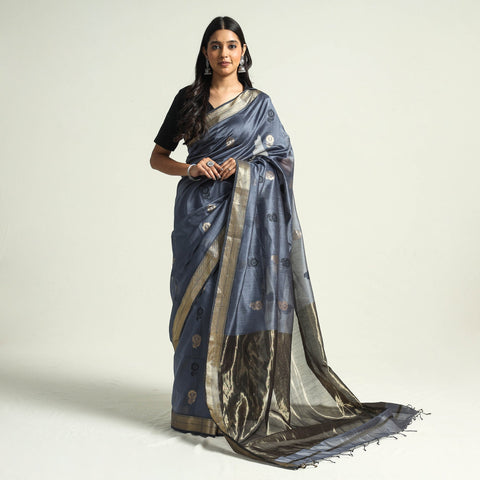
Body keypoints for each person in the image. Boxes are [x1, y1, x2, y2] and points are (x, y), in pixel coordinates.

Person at [150, 16, 427, 469]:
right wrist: (192, 168)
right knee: (197, 304)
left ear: (243, 52)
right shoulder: (188, 100)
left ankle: (241, 402)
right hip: (199, 218)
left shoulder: (260, 105)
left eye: (232, 45)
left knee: (241, 304)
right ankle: (196, 410)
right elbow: (158, 158)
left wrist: (244, 169)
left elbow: (282, 159)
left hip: (247, 216)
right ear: (205, 52)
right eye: (216, 45)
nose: (224, 53)